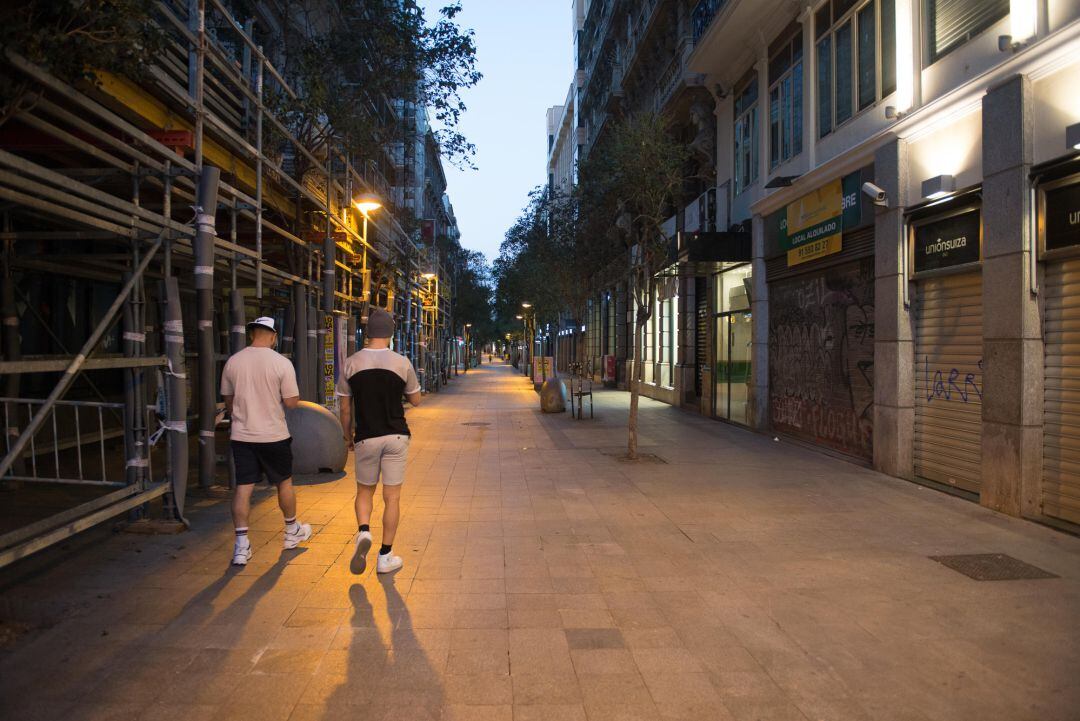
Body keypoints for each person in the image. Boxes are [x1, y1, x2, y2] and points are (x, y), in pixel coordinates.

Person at [220, 316, 312, 566]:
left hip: (242, 436)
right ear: (273, 337)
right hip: (274, 436)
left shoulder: (233, 362)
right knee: (284, 482)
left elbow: (228, 401)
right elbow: (292, 402)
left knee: (243, 487)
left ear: (252, 334)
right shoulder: (281, 363)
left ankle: (241, 547)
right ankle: (291, 532)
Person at [336, 308, 421, 575]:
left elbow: (345, 408)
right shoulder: (402, 362)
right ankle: (385, 555)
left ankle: (363, 531)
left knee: (364, 491)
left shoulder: (351, 363)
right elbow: (416, 399)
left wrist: (347, 435)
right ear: (391, 332)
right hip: (396, 434)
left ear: (368, 333)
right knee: (392, 497)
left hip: (366, 437)